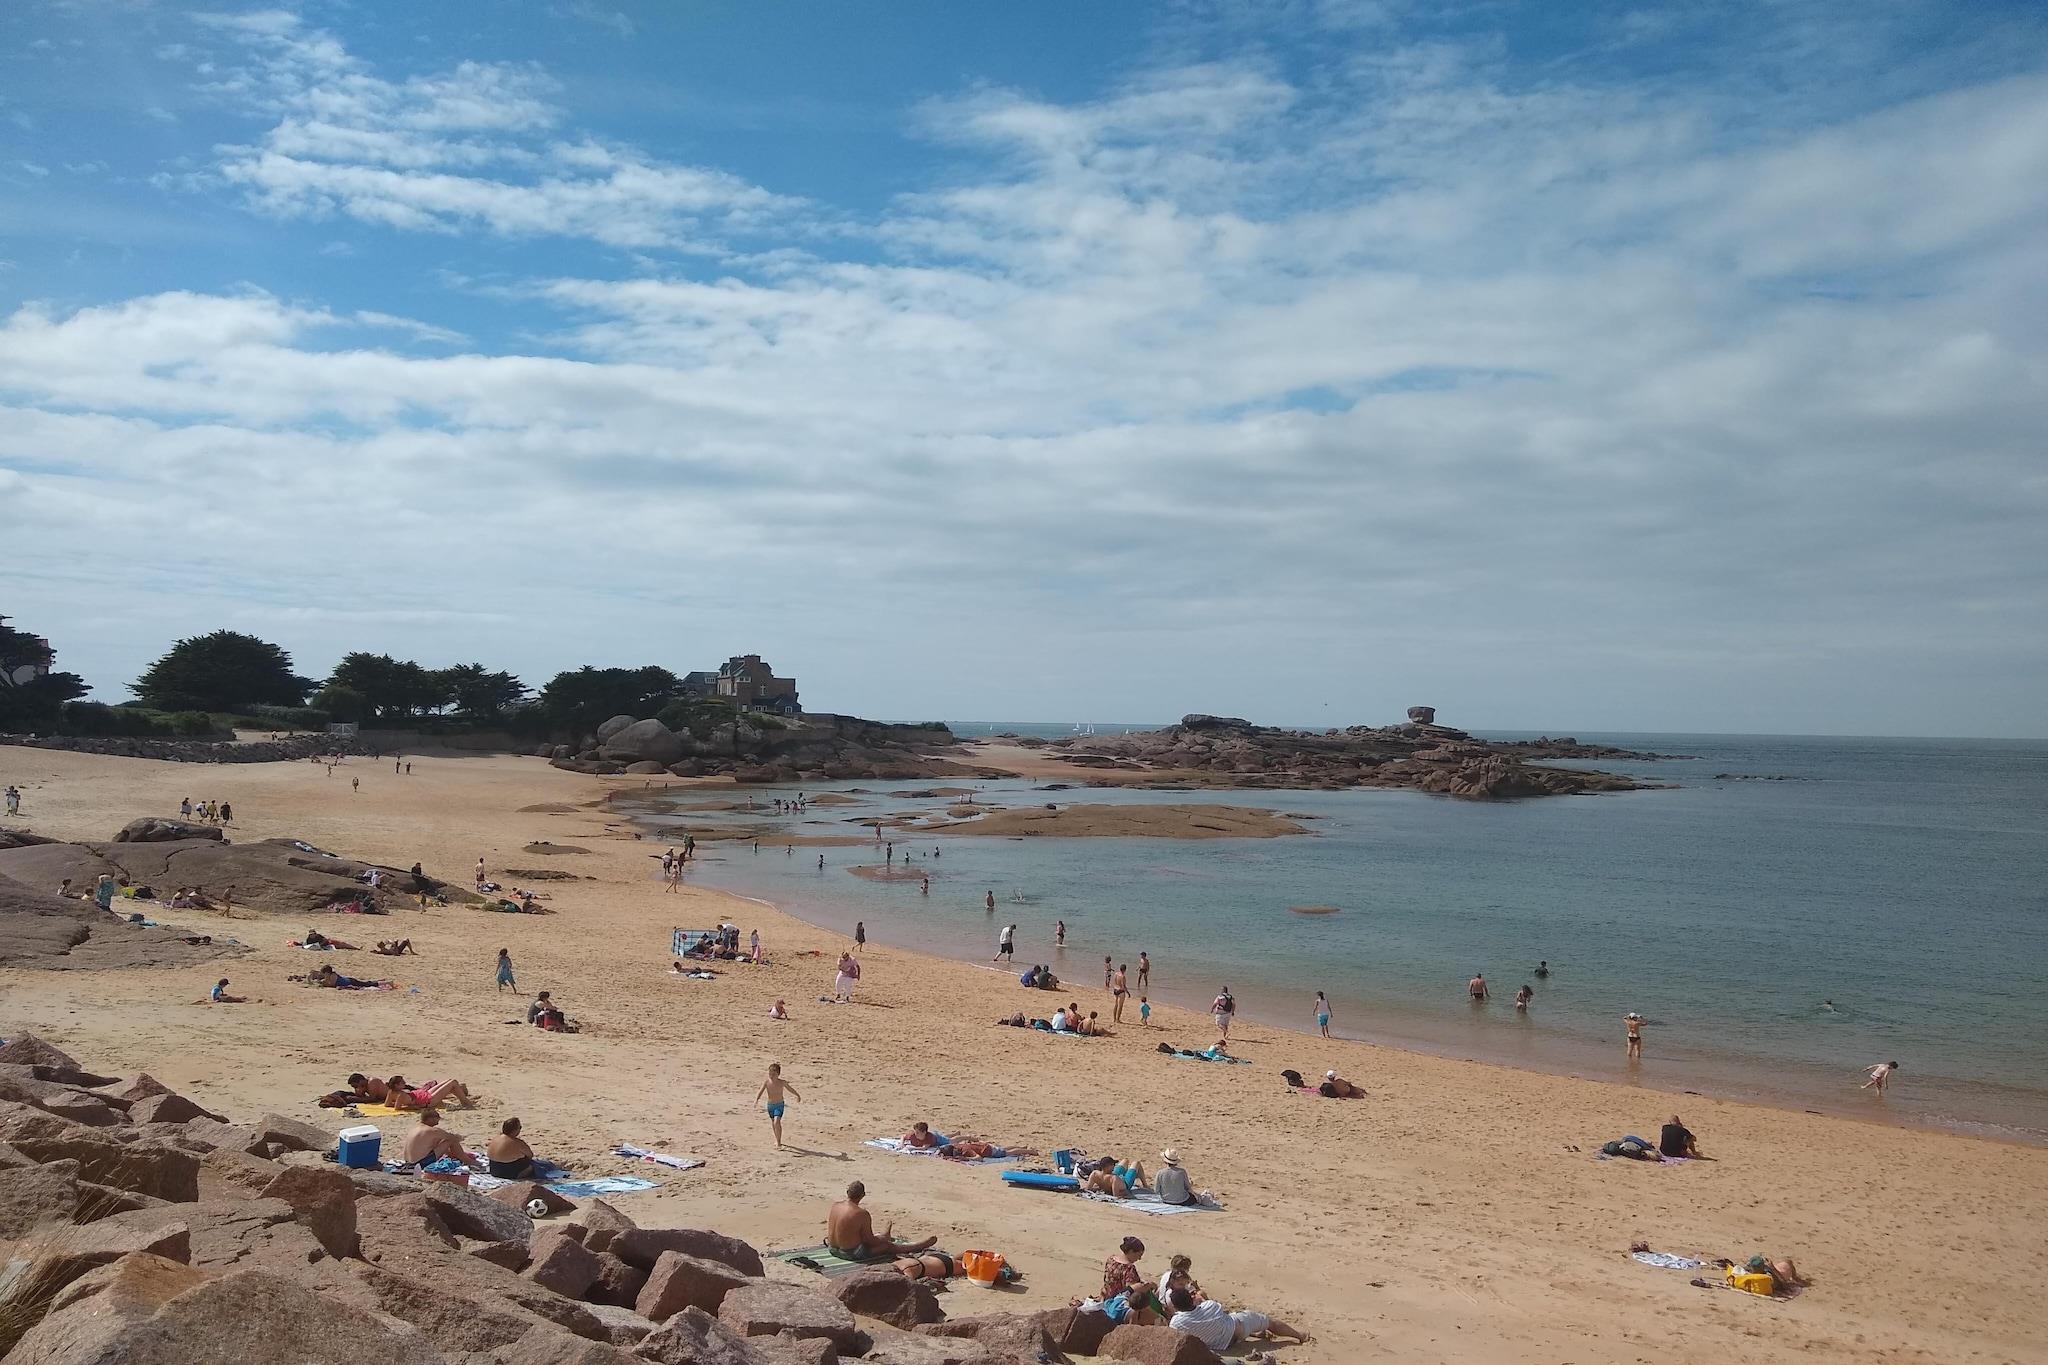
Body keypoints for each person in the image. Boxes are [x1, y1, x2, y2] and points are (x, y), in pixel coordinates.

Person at [1166, 1287, 1308, 1351]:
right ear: (1190, 1299)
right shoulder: (1210, 1306)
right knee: (1269, 1322)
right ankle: (1299, 1336)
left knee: (1223, 1321)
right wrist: (1200, 1299)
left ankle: (1257, 1333)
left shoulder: (1176, 1323)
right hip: (1236, 1329)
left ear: (1177, 1306)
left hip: (1218, 1345)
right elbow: (1217, 1309)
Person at [827, 1181, 935, 1259]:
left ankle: (884, 1235)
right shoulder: (861, 1213)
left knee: (872, 1237)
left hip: (832, 1249)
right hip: (849, 1253)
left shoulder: (835, 1205)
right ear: (863, 1195)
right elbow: (869, 1241)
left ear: (847, 1192)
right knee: (886, 1246)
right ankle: (917, 1246)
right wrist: (883, 1240)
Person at [1098, 1236, 1159, 1323]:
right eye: (1138, 1255)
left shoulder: (1111, 1259)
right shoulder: (1129, 1268)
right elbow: (1132, 1291)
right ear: (1131, 1251)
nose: (1139, 1258)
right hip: (1119, 1303)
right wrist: (1149, 1286)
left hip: (1107, 1297)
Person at [402, 1108, 480, 1170]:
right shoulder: (432, 1130)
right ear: (430, 1119)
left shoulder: (415, 1128)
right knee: (451, 1140)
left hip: (408, 1163)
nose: (438, 1120)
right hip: (421, 1163)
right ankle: (468, 1161)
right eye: (437, 1118)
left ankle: (456, 1156)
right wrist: (461, 1137)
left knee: (437, 1140)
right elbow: (453, 1138)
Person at [756, 1062, 800, 1146]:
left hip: (779, 1105)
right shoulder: (767, 1082)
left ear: (778, 1074)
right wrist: (757, 1099)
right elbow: (760, 1091)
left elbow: (790, 1089)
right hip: (770, 1105)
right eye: (770, 1074)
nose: (771, 1076)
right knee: (774, 1123)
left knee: (777, 1121)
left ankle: (779, 1142)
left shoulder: (782, 1082)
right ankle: (777, 1139)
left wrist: (797, 1095)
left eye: (774, 1074)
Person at [388, 1075, 472, 1109]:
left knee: (450, 1081)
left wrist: (402, 1103)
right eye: (402, 1083)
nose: (405, 1083)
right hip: (429, 1100)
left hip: (424, 1094)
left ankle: (464, 1100)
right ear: (396, 1085)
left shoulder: (391, 1092)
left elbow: (387, 1104)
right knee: (453, 1083)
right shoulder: (401, 1095)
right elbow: (397, 1108)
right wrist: (409, 1105)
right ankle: (466, 1102)